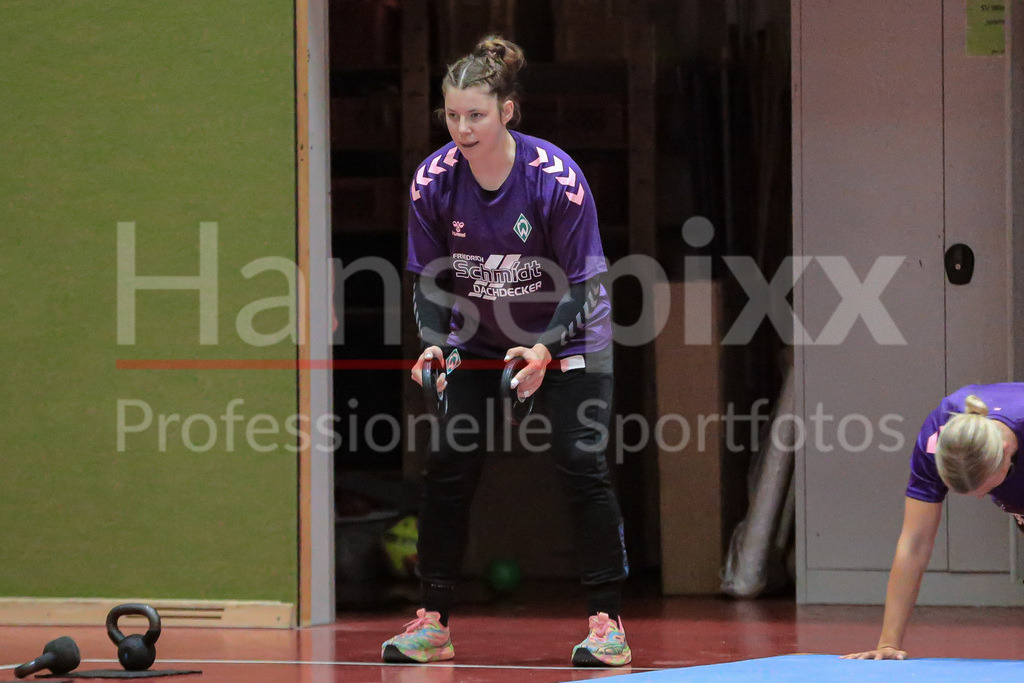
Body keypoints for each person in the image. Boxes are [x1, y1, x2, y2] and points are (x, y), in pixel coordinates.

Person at [379, 35, 631, 667]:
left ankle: (608, 626)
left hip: (569, 334)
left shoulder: (555, 181)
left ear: (507, 111)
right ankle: (432, 624)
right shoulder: (433, 182)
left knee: (582, 463)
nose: (462, 129)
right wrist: (435, 346)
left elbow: (584, 283)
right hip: (481, 339)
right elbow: (429, 276)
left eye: (477, 115)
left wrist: (545, 348)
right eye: (452, 115)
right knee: (449, 464)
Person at [843, 383, 1024, 660]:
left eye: (985, 488)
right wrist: (888, 645)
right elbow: (914, 544)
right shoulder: (938, 435)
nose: (980, 499)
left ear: (1006, 450)